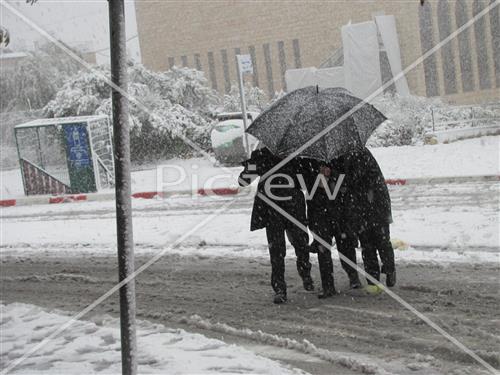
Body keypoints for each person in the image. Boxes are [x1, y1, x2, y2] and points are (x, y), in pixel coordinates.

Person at [238, 147, 314, 304]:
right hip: (273, 209)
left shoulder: (297, 155)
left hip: (291, 207)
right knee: (279, 250)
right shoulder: (263, 155)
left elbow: (307, 180)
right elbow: (244, 180)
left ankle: (304, 275)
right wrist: (251, 165)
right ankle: (281, 287)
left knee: (299, 244)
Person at [330, 147, 396, 287]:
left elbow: (354, 179)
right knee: (372, 243)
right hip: (365, 206)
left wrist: (338, 179)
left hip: (371, 204)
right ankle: (378, 276)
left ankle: (383, 273)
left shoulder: (356, 153)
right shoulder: (354, 153)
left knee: (376, 243)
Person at [301, 159, 361, 299]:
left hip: (340, 209)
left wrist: (332, 175)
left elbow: (351, 178)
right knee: (323, 248)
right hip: (319, 210)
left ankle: (353, 276)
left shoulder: (341, 156)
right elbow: (302, 181)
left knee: (345, 245)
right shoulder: (308, 159)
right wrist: (316, 177)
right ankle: (328, 285)